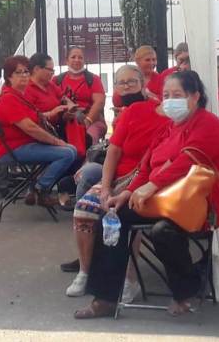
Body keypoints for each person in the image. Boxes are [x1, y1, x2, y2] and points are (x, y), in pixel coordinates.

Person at [74, 70, 219, 319]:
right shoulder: (169, 128)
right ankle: (104, 298)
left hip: (198, 205)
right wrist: (126, 193)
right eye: (166, 95)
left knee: (163, 231)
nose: (169, 100)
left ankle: (185, 291)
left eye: (177, 95)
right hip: (161, 200)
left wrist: (149, 186)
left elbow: (187, 161)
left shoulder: (208, 124)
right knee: (111, 215)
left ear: (195, 97)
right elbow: (145, 167)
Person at [64, 64, 171, 298]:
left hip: (148, 182)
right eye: (122, 83)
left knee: (125, 215)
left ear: (144, 84)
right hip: (118, 178)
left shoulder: (166, 115)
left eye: (132, 81)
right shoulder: (130, 112)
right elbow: (113, 151)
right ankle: (85, 271)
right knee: (83, 209)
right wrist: (104, 186)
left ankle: (129, 280)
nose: (127, 86)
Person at [0, 55, 78, 208]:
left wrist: (51, 115)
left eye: (26, 71)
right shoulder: (8, 99)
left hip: (26, 144)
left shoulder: (20, 95)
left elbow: (33, 120)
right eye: (19, 72)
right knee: (67, 152)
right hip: (14, 149)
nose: (24, 75)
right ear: (9, 77)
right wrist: (56, 142)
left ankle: (35, 188)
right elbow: (30, 128)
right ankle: (40, 188)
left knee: (71, 149)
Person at [55, 47, 107, 144]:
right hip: (65, 121)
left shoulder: (93, 79)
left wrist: (87, 121)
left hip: (92, 121)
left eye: (80, 57)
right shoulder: (57, 80)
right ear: (67, 60)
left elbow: (99, 102)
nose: (77, 60)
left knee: (88, 139)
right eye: (73, 57)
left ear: (84, 60)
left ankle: (89, 158)